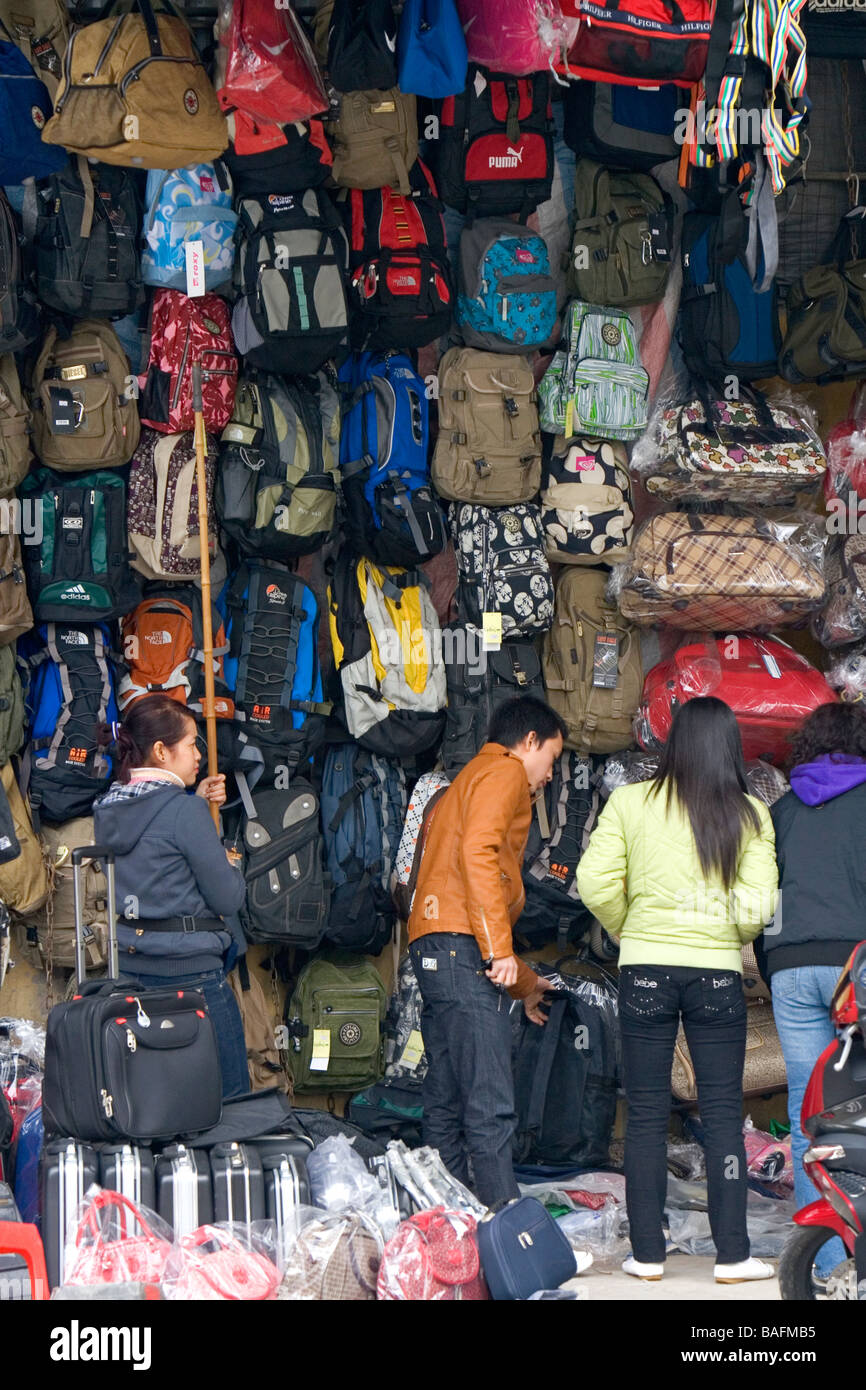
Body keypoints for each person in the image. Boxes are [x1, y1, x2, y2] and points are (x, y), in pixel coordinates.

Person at [576, 697, 779, 1284]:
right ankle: (735, 1257)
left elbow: (593, 880)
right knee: (721, 1115)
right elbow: (760, 905)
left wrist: (627, 927)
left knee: (643, 1115)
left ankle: (645, 1256)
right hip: (716, 973)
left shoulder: (631, 801)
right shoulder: (749, 812)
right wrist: (726, 931)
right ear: (730, 748)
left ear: (672, 745)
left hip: (645, 971)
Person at [408, 695, 565, 1209]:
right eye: (552, 760)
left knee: (447, 1100)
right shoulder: (503, 772)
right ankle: (510, 1226)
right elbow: (480, 852)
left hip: (436, 943)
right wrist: (500, 952)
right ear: (529, 742)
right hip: (463, 945)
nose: (548, 776)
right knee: (490, 1102)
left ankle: (450, 1222)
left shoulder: (468, 777)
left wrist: (524, 984)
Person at [93, 694, 250, 1100]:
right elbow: (228, 899)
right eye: (192, 743)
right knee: (228, 1099)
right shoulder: (184, 814)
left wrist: (195, 804)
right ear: (162, 751)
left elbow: (156, 847)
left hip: (131, 973)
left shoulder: (108, 807)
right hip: (192, 979)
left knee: (159, 1101)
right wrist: (230, 858)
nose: (199, 753)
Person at [758, 701, 866, 1282]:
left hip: (792, 966)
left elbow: (760, 893)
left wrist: (770, 961)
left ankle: (826, 1261)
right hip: (860, 965)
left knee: (811, 1112)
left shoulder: (782, 811)